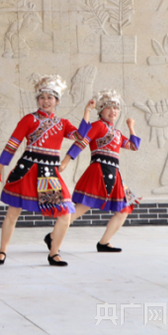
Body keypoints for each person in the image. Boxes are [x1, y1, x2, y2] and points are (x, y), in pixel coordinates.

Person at [0, 74, 93, 267]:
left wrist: (87, 112)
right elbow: (12, 144)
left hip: (49, 174)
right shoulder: (28, 119)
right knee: (13, 213)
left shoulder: (63, 123)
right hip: (26, 170)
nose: (46, 101)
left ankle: (54, 253)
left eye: (50, 97)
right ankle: (2, 250)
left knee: (65, 212)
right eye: (42, 97)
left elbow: (80, 137)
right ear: (37, 100)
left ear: (57, 101)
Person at [66, 89, 140, 251]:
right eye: (109, 107)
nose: (113, 111)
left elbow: (134, 146)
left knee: (124, 209)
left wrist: (131, 127)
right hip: (99, 171)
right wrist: (66, 160)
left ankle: (104, 243)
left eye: (116, 107)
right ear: (101, 110)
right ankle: (53, 236)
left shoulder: (117, 133)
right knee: (82, 206)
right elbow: (81, 142)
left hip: (114, 173)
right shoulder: (97, 125)